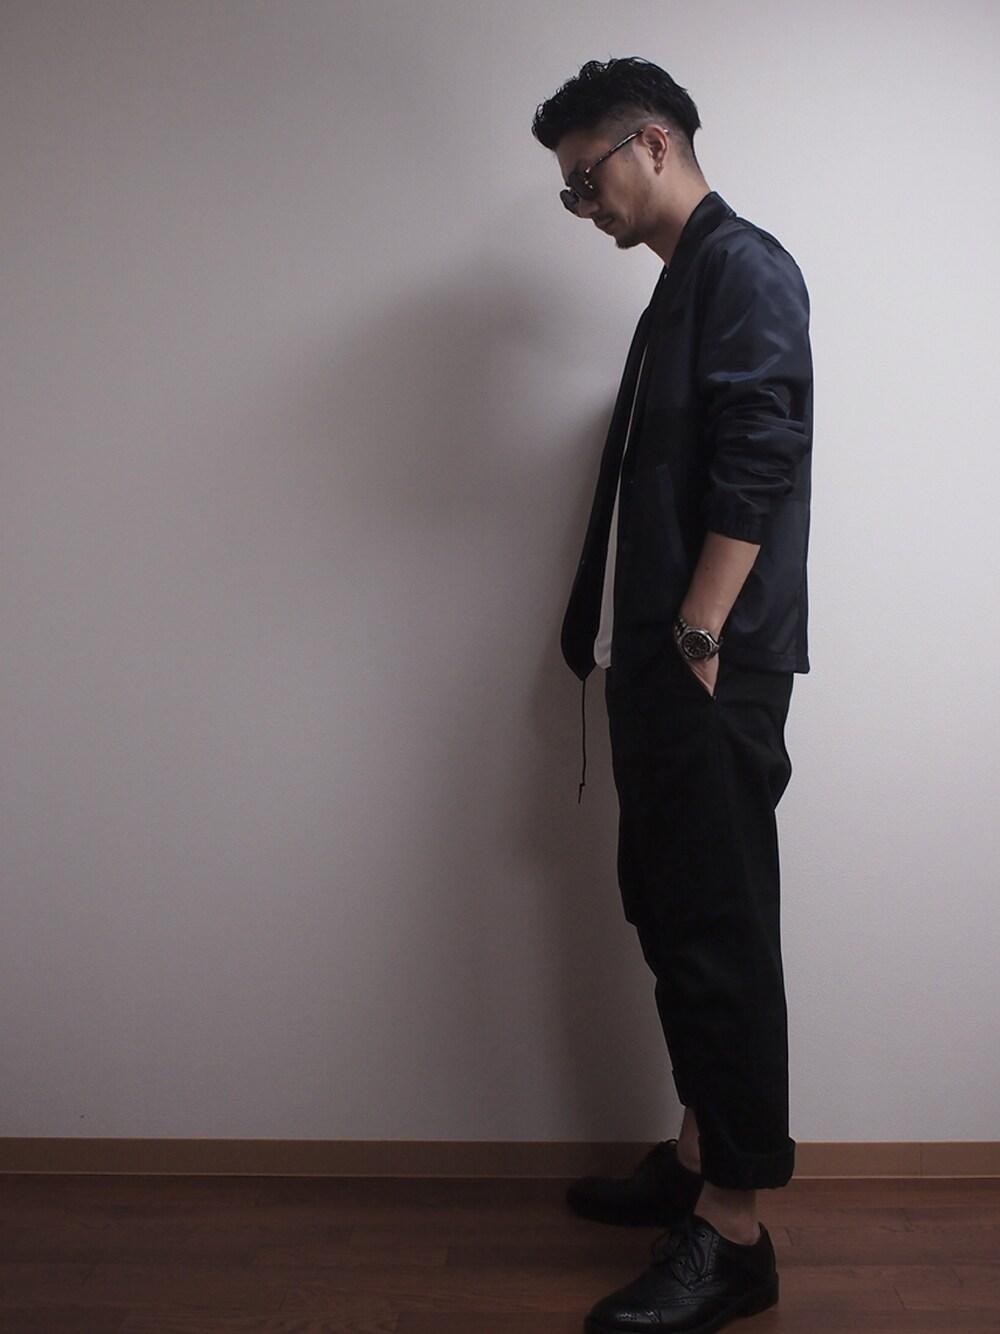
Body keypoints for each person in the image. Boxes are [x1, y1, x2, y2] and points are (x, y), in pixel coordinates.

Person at [532, 58, 813, 1334]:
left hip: (705, 668)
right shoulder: (681, 281)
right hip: (658, 667)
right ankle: (701, 1153)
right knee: (669, 914)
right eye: (566, 190)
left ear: (651, 142)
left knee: (718, 936)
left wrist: (699, 626)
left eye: (584, 177)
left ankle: (735, 1232)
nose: (580, 204)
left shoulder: (743, 267)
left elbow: (762, 448)